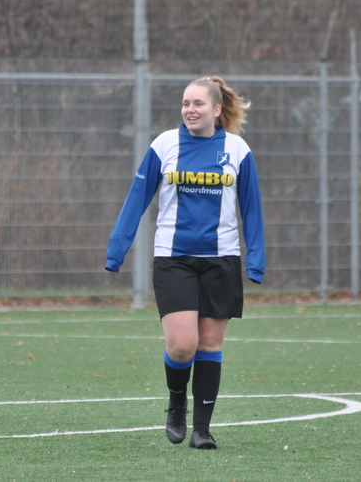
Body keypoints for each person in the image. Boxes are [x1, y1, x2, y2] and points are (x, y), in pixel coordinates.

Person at [105, 76, 266, 450]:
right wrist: (117, 249)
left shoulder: (237, 150)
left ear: (216, 109)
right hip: (173, 259)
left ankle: (202, 430)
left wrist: (255, 259)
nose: (189, 110)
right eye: (185, 103)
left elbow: (252, 209)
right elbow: (137, 198)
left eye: (197, 104)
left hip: (221, 260)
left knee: (209, 345)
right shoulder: (164, 145)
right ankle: (177, 401)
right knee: (182, 346)